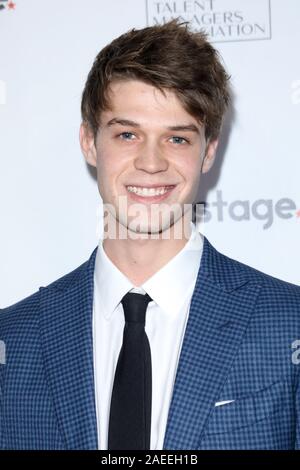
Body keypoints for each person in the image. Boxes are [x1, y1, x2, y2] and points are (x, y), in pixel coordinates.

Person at [0, 19, 299, 451]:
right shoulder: (14, 340)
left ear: (209, 151)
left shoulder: (289, 323)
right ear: (88, 141)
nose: (151, 162)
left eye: (177, 139)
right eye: (127, 134)